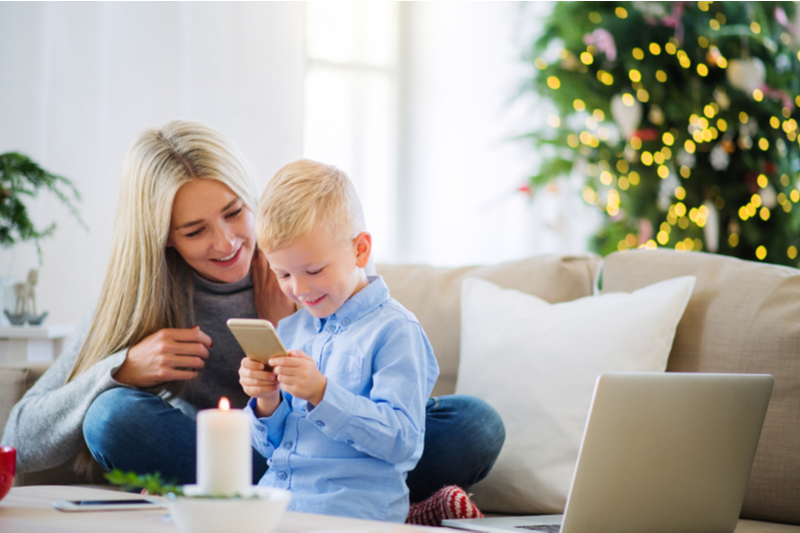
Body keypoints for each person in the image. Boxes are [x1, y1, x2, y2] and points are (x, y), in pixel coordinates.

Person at [0, 120, 505, 510]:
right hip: (233, 458)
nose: (227, 243)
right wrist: (121, 369)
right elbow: (18, 438)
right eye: (195, 231)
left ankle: (366, 502)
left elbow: (392, 405)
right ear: (164, 239)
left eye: (235, 212)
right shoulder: (140, 295)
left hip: (340, 453)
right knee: (113, 418)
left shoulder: (309, 271)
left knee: (475, 424)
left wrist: (293, 325)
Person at [239, 159, 439, 522]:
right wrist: (266, 400)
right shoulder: (291, 329)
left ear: (360, 250)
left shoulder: (396, 331)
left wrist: (321, 393)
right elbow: (270, 447)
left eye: (314, 270)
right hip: (273, 508)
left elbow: (403, 442)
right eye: (282, 273)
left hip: (345, 515)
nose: (298, 289)